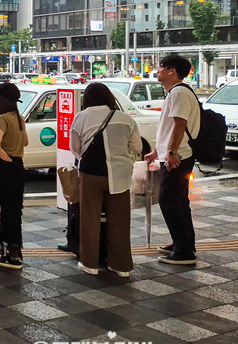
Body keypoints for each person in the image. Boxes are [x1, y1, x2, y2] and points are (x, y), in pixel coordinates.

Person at [72, 82, 141, 276]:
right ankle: (121, 266)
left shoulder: (81, 117)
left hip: (91, 175)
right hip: (120, 175)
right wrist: (126, 160)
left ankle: (90, 263)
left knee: (90, 219)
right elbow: (136, 148)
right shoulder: (125, 119)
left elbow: (76, 149)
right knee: (119, 220)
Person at [145, 55, 200, 265]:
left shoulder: (179, 93)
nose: (157, 70)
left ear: (172, 71)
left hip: (178, 157)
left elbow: (179, 124)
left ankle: (184, 251)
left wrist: (171, 152)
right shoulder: (175, 93)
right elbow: (169, 127)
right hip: (174, 155)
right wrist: (157, 151)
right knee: (178, 201)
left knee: (169, 200)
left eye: (161, 67)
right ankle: (184, 243)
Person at [0, 82, 28, 270]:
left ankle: (10, 254)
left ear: (2, 100)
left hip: (3, 169)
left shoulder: (2, 118)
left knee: (0, 210)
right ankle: (15, 252)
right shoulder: (19, 118)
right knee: (14, 211)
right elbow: (25, 141)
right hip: (18, 167)